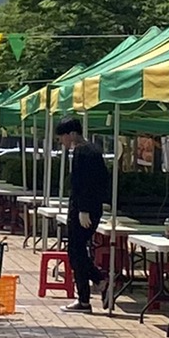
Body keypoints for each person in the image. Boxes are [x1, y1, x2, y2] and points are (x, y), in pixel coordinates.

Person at [61, 115, 112, 313]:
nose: (62, 141)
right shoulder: (92, 151)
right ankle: (88, 293)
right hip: (89, 208)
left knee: (76, 251)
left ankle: (95, 284)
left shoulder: (83, 152)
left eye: (63, 137)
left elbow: (83, 183)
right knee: (77, 251)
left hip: (84, 210)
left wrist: (83, 209)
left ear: (72, 134)